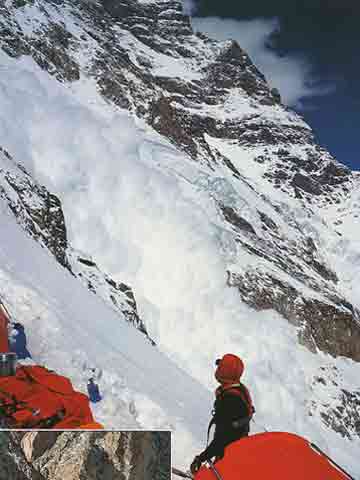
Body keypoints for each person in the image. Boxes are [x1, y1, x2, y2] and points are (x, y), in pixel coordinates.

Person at [190, 354, 254, 475]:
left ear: (224, 373)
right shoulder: (240, 390)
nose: (217, 369)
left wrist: (201, 458)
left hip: (229, 454)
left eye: (220, 367)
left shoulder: (229, 400)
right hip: (239, 448)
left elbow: (221, 440)